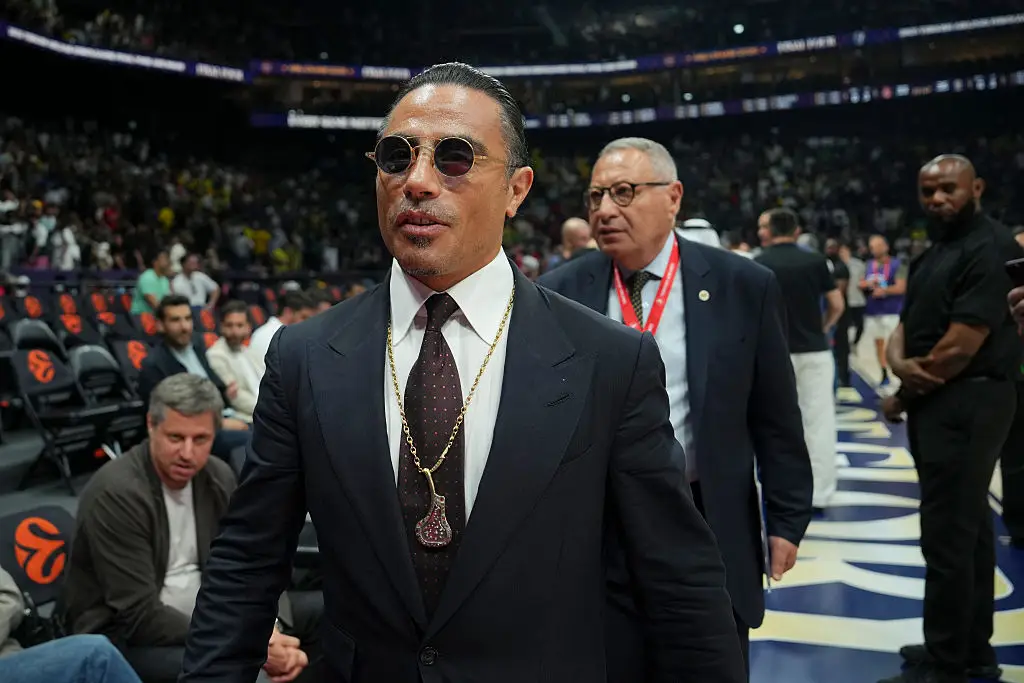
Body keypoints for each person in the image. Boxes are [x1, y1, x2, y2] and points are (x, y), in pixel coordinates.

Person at [180, 62, 745, 683]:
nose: (417, 180)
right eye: (396, 157)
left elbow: (678, 581)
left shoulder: (610, 359)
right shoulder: (302, 357)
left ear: (516, 188)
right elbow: (246, 564)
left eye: (455, 158)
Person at [538, 137, 812, 679]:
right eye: (595, 198)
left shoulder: (743, 284)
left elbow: (775, 412)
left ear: (674, 197)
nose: (605, 210)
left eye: (624, 192)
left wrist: (786, 517)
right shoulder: (558, 291)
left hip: (706, 515)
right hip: (600, 524)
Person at [60, 375, 322, 683]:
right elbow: (138, 615)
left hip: (214, 613)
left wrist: (268, 626)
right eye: (175, 438)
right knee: (243, 670)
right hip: (133, 636)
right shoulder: (115, 494)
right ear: (150, 425)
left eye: (200, 440)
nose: (187, 453)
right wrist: (245, 637)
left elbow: (252, 560)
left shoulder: (217, 475)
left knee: (335, 613)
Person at [880, 155, 1020, 683]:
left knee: (945, 535)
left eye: (948, 190)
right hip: (945, 403)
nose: (937, 200)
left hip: (968, 401)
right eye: (928, 191)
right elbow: (904, 325)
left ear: (976, 187)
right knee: (970, 530)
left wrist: (901, 394)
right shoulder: (936, 248)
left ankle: (945, 661)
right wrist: (897, 364)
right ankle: (971, 649)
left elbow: (959, 349)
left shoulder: (991, 247)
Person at [756, 208, 844, 510]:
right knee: (817, 421)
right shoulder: (816, 261)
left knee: (771, 424)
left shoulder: (759, 262)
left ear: (769, 230)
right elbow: (836, 303)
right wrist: (824, 327)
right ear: (796, 231)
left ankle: (774, 490)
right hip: (814, 350)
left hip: (773, 352)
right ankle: (819, 493)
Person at [137, 295, 251, 458]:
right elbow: (166, 418)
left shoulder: (197, 348)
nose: (184, 326)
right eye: (176, 320)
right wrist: (218, 423)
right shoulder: (154, 365)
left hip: (222, 415)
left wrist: (226, 392)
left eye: (188, 319)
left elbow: (216, 386)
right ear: (161, 325)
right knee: (252, 440)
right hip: (194, 433)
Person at [860, 235, 907, 386]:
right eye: (872, 246)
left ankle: (899, 374)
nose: (874, 249)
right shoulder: (868, 265)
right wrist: (866, 284)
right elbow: (860, 283)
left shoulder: (898, 265)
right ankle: (884, 372)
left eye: (878, 246)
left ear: (886, 246)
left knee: (895, 345)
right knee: (878, 343)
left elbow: (901, 287)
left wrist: (885, 290)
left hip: (892, 310)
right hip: (873, 310)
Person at [205, 300, 259, 422]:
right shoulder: (216, 355)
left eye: (240, 326)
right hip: (247, 417)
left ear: (248, 327)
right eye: (229, 325)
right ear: (221, 326)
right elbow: (236, 398)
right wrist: (270, 410)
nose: (234, 332)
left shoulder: (248, 351)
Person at [245, 290, 315, 383]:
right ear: (288, 312)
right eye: (303, 317)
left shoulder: (269, 331)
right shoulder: (276, 337)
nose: (307, 324)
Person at [825, 239, 852, 387]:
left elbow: (840, 291)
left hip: (840, 311)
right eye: (828, 247)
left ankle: (844, 377)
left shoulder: (841, 267)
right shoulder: (825, 265)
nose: (830, 249)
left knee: (841, 346)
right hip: (829, 310)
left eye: (833, 247)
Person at [840, 243, 867, 348]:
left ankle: (855, 343)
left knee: (860, 325)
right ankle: (846, 346)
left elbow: (864, 279)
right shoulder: (838, 265)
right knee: (845, 326)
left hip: (857, 299)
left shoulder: (859, 264)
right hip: (843, 300)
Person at [130, 249, 171, 315]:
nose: (167, 262)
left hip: (156, 317)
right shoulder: (147, 277)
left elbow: (168, 301)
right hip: (141, 318)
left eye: (167, 259)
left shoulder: (164, 279)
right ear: (155, 262)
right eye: (164, 258)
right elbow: (154, 303)